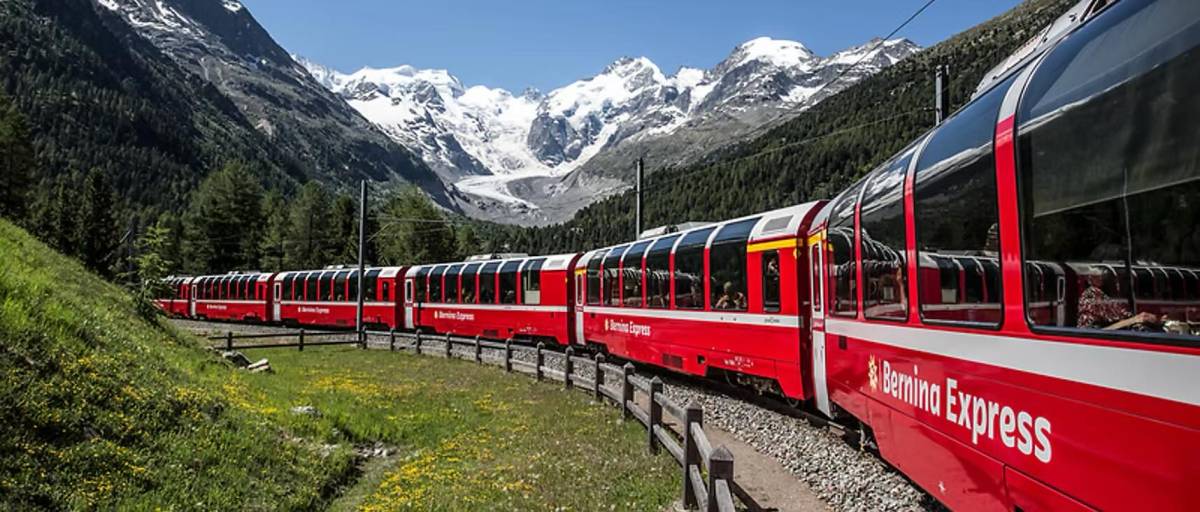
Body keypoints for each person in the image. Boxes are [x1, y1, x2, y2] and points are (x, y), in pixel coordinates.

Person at [1077, 269, 1159, 330]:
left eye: (1101, 277)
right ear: (1090, 279)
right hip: (1093, 333)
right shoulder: (1092, 293)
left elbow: (1118, 311)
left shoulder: (1101, 294)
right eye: (1097, 277)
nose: (1101, 279)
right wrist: (1135, 318)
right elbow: (1113, 312)